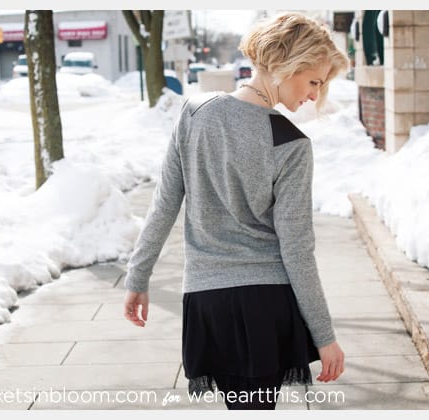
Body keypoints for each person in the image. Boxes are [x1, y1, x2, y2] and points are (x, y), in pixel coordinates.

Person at [123, 12, 349, 410]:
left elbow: (164, 205)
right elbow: (297, 249)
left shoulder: (193, 114)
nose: (315, 95)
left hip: (206, 301)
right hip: (265, 306)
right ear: (285, 65)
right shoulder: (291, 144)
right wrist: (325, 336)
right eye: (314, 80)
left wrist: (137, 277)